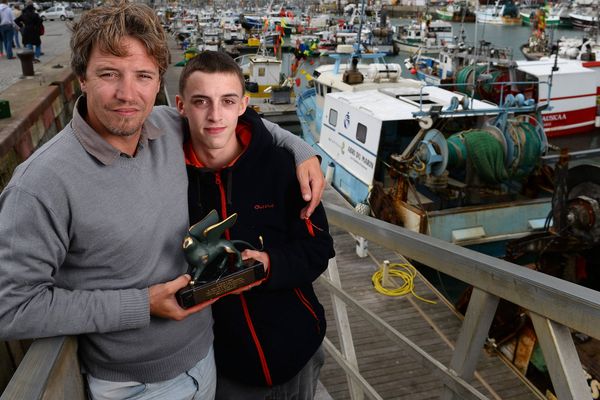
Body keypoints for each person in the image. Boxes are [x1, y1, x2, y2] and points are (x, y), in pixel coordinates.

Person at [0, 2, 324, 400]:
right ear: (81, 78)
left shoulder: (165, 125)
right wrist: (142, 305)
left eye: (143, 76)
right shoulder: (40, 185)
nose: (127, 94)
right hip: (132, 385)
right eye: (108, 74)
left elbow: (239, 118)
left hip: (207, 358)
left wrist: (302, 149)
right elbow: (11, 308)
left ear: (159, 85)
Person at [177, 51, 335, 400]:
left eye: (227, 100)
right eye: (201, 101)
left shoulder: (283, 169)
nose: (216, 115)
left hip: (299, 350)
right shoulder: (169, 178)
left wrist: (269, 264)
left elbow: (319, 248)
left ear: (244, 105)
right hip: (226, 368)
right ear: (181, 105)